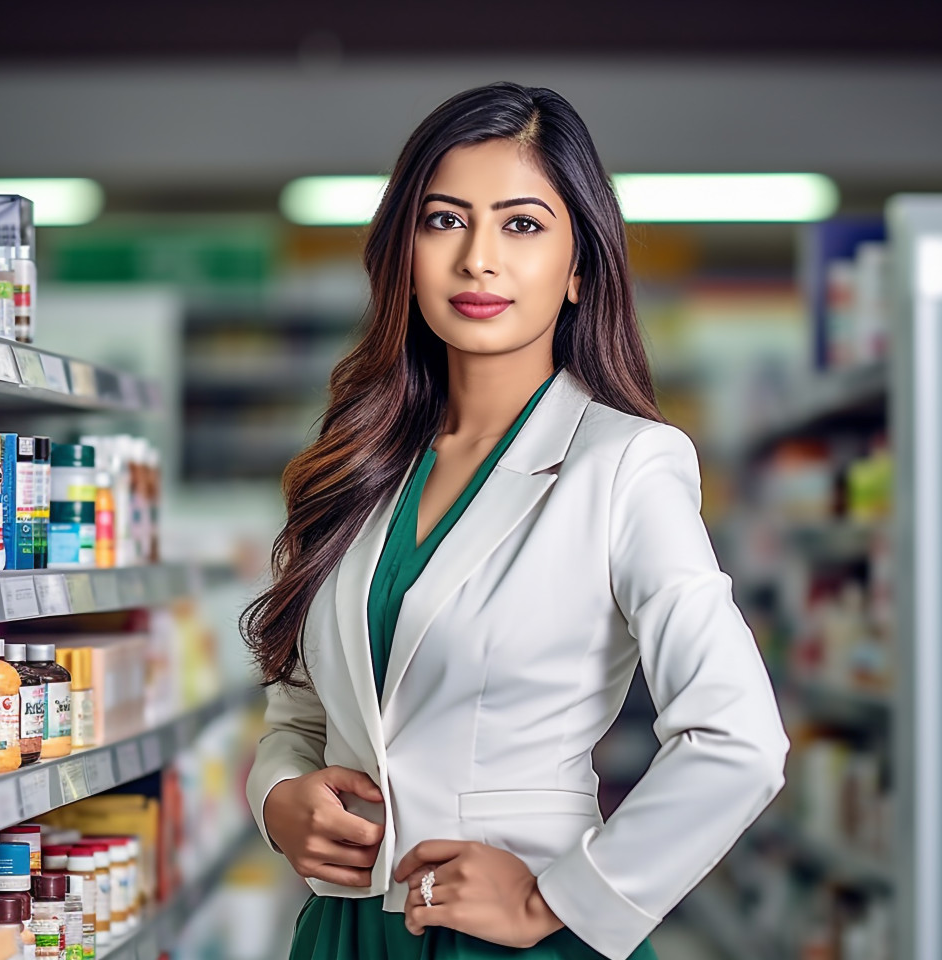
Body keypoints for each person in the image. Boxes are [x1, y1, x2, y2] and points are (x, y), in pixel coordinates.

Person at [242, 81, 790, 960]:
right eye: (444, 220)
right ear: (403, 254)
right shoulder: (354, 463)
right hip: (343, 932)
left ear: (579, 268)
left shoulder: (624, 464)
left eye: (523, 225)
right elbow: (302, 712)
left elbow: (740, 739)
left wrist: (557, 899)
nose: (478, 260)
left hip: (512, 937)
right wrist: (277, 798)